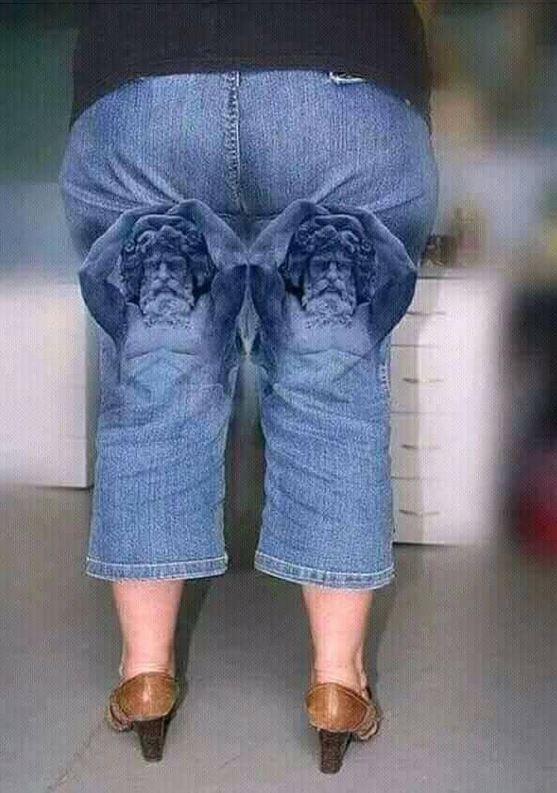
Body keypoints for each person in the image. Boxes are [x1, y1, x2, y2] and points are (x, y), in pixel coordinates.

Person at [58, 0, 439, 774]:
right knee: (329, 378)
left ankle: (144, 672)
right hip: (342, 81)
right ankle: (338, 680)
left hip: (142, 80)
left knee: (157, 372)